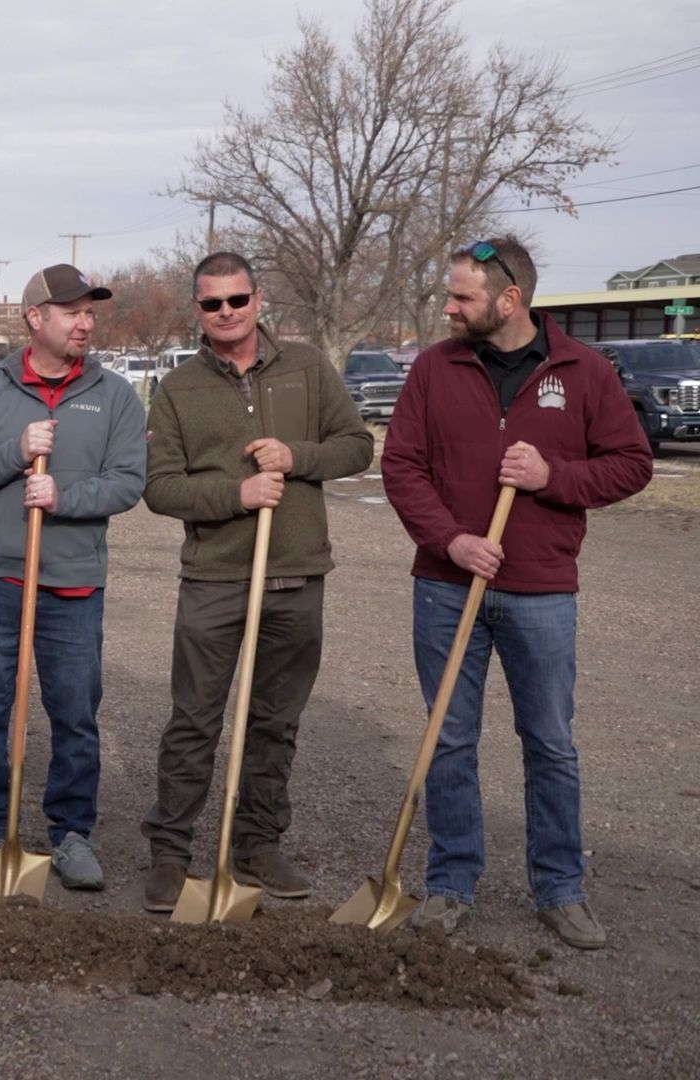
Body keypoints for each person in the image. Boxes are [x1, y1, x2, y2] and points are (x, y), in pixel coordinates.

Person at [382, 237, 651, 949]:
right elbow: (401, 467)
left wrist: (551, 478)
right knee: (449, 739)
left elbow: (631, 465)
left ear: (510, 300)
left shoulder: (583, 371)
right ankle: (450, 884)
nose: (448, 307)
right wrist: (452, 541)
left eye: (462, 296)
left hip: (540, 592)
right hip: (446, 587)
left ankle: (560, 890)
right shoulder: (435, 370)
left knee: (551, 744)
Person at [138, 252, 373, 912]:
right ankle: (171, 850)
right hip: (216, 576)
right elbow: (160, 489)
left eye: (236, 300)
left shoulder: (305, 367)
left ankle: (259, 843)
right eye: (211, 304)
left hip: (296, 572)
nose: (226, 313)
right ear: (197, 310)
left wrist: (296, 457)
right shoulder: (179, 387)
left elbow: (357, 446)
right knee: (194, 718)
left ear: (259, 299)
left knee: (275, 720)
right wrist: (237, 493)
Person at [0, 265, 146, 889]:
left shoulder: (114, 395)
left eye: (90, 312)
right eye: (71, 311)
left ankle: (71, 832)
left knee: (76, 713)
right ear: (36, 319)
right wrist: (16, 450)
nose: (85, 323)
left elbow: (129, 482)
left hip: (74, 583)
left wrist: (63, 496)